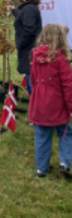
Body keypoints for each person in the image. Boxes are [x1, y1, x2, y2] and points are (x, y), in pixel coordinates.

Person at [28, 23, 72, 177]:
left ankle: (41, 168)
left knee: (42, 135)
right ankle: (65, 162)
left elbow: (32, 80)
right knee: (65, 132)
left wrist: (37, 95)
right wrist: (71, 107)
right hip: (57, 101)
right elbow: (68, 85)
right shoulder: (61, 59)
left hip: (40, 100)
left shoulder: (35, 55)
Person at [13, 0, 44, 94]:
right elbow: (23, 19)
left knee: (32, 81)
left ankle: (38, 107)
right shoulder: (29, 9)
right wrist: (14, 11)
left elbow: (29, 29)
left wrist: (21, 44)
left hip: (30, 48)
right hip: (30, 47)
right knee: (31, 76)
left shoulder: (29, 9)